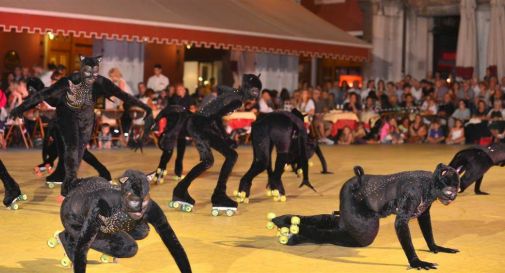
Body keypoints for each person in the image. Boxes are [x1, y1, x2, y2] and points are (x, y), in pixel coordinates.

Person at [10, 55, 153, 197]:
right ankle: (67, 184)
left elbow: (124, 95)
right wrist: (20, 108)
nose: (91, 76)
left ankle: (68, 183)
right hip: (67, 118)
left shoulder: (101, 82)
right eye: (87, 72)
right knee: (71, 151)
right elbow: (44, 93)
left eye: (94, 72)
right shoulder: (70, 80)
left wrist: (145, 107)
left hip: (86, 122)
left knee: (78, 154)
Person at [56, 170, 192, 273]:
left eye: (144, 201)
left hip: (96, 185)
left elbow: (173, 243)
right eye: (134, 201)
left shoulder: (149, 206)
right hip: (73, 216)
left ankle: (100, 234)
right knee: (129, 248)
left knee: (142, 230)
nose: (140, 211)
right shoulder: (103, 204)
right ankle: (69, 238)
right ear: (124, 195)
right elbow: (82, 247)